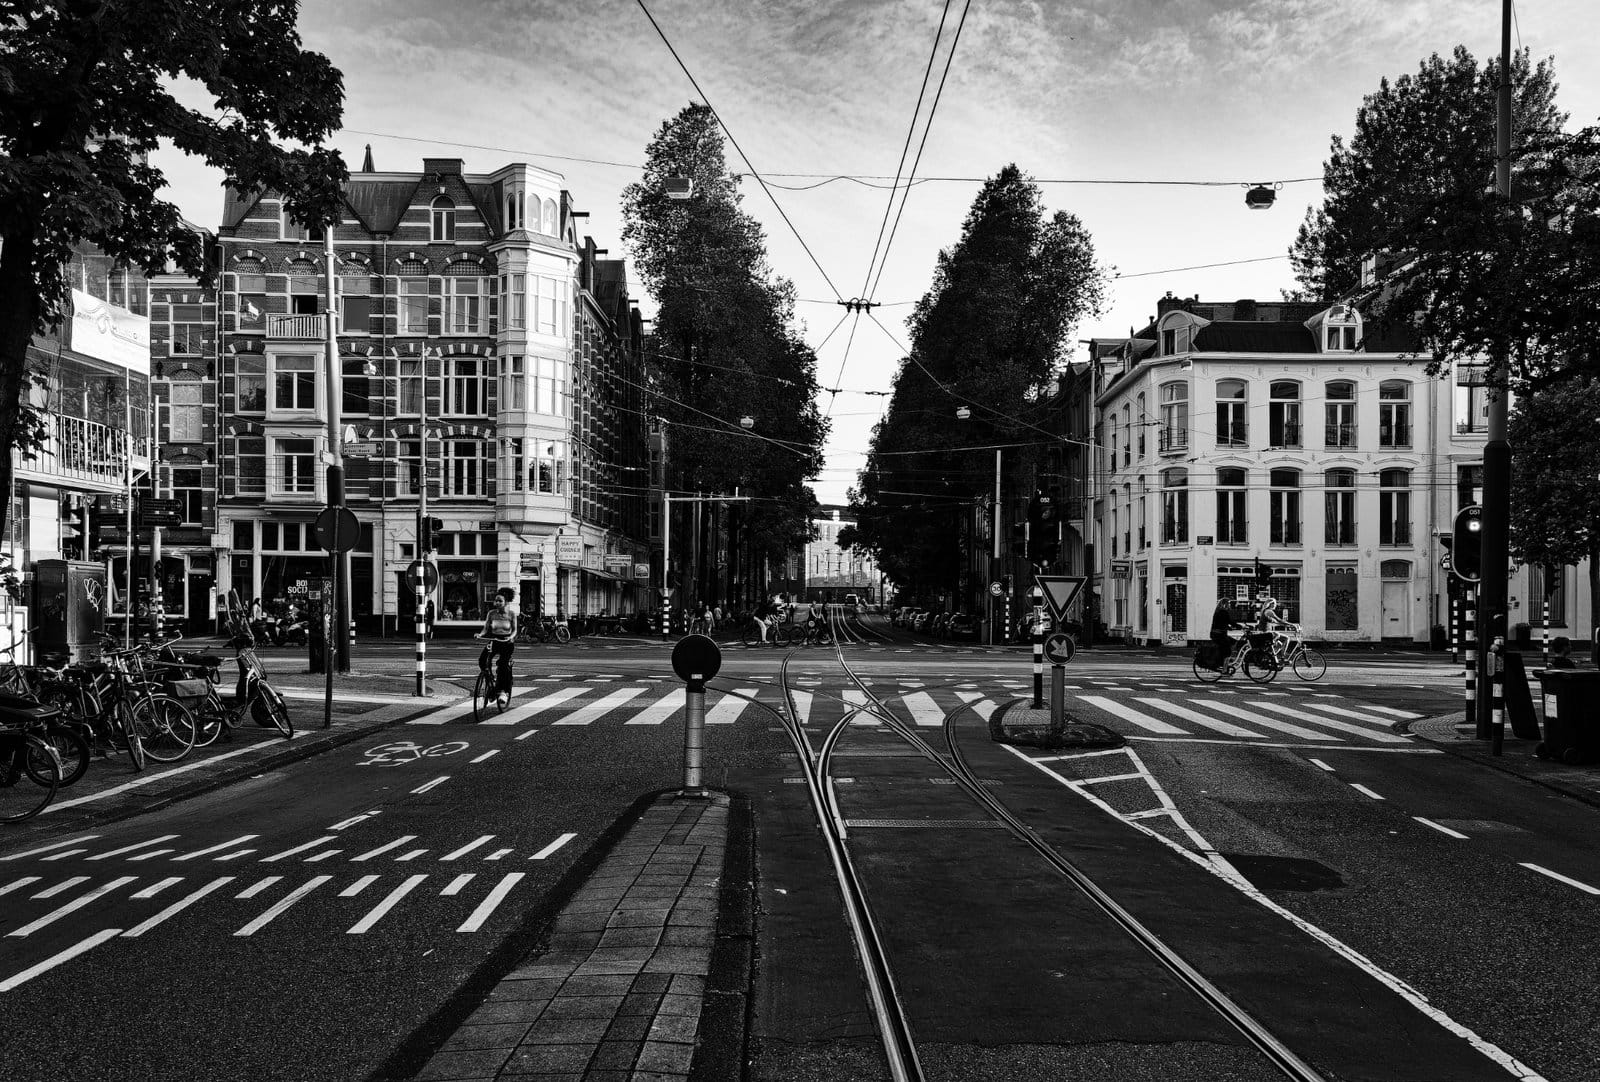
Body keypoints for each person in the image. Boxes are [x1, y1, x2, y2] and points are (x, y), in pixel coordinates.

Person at [476, 591, 517, 709]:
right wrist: (480, 634)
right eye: (496, 600)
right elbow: (486, 628)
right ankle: (490, 681)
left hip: (507, 642)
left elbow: (514, 630)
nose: (497, 603)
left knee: (503, 665)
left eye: (500, 601)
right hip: (494, 640)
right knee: (482, 660)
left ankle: (502, 691)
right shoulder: (491, 613)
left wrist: (511, 637)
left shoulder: (511, 614)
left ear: (506, 602)